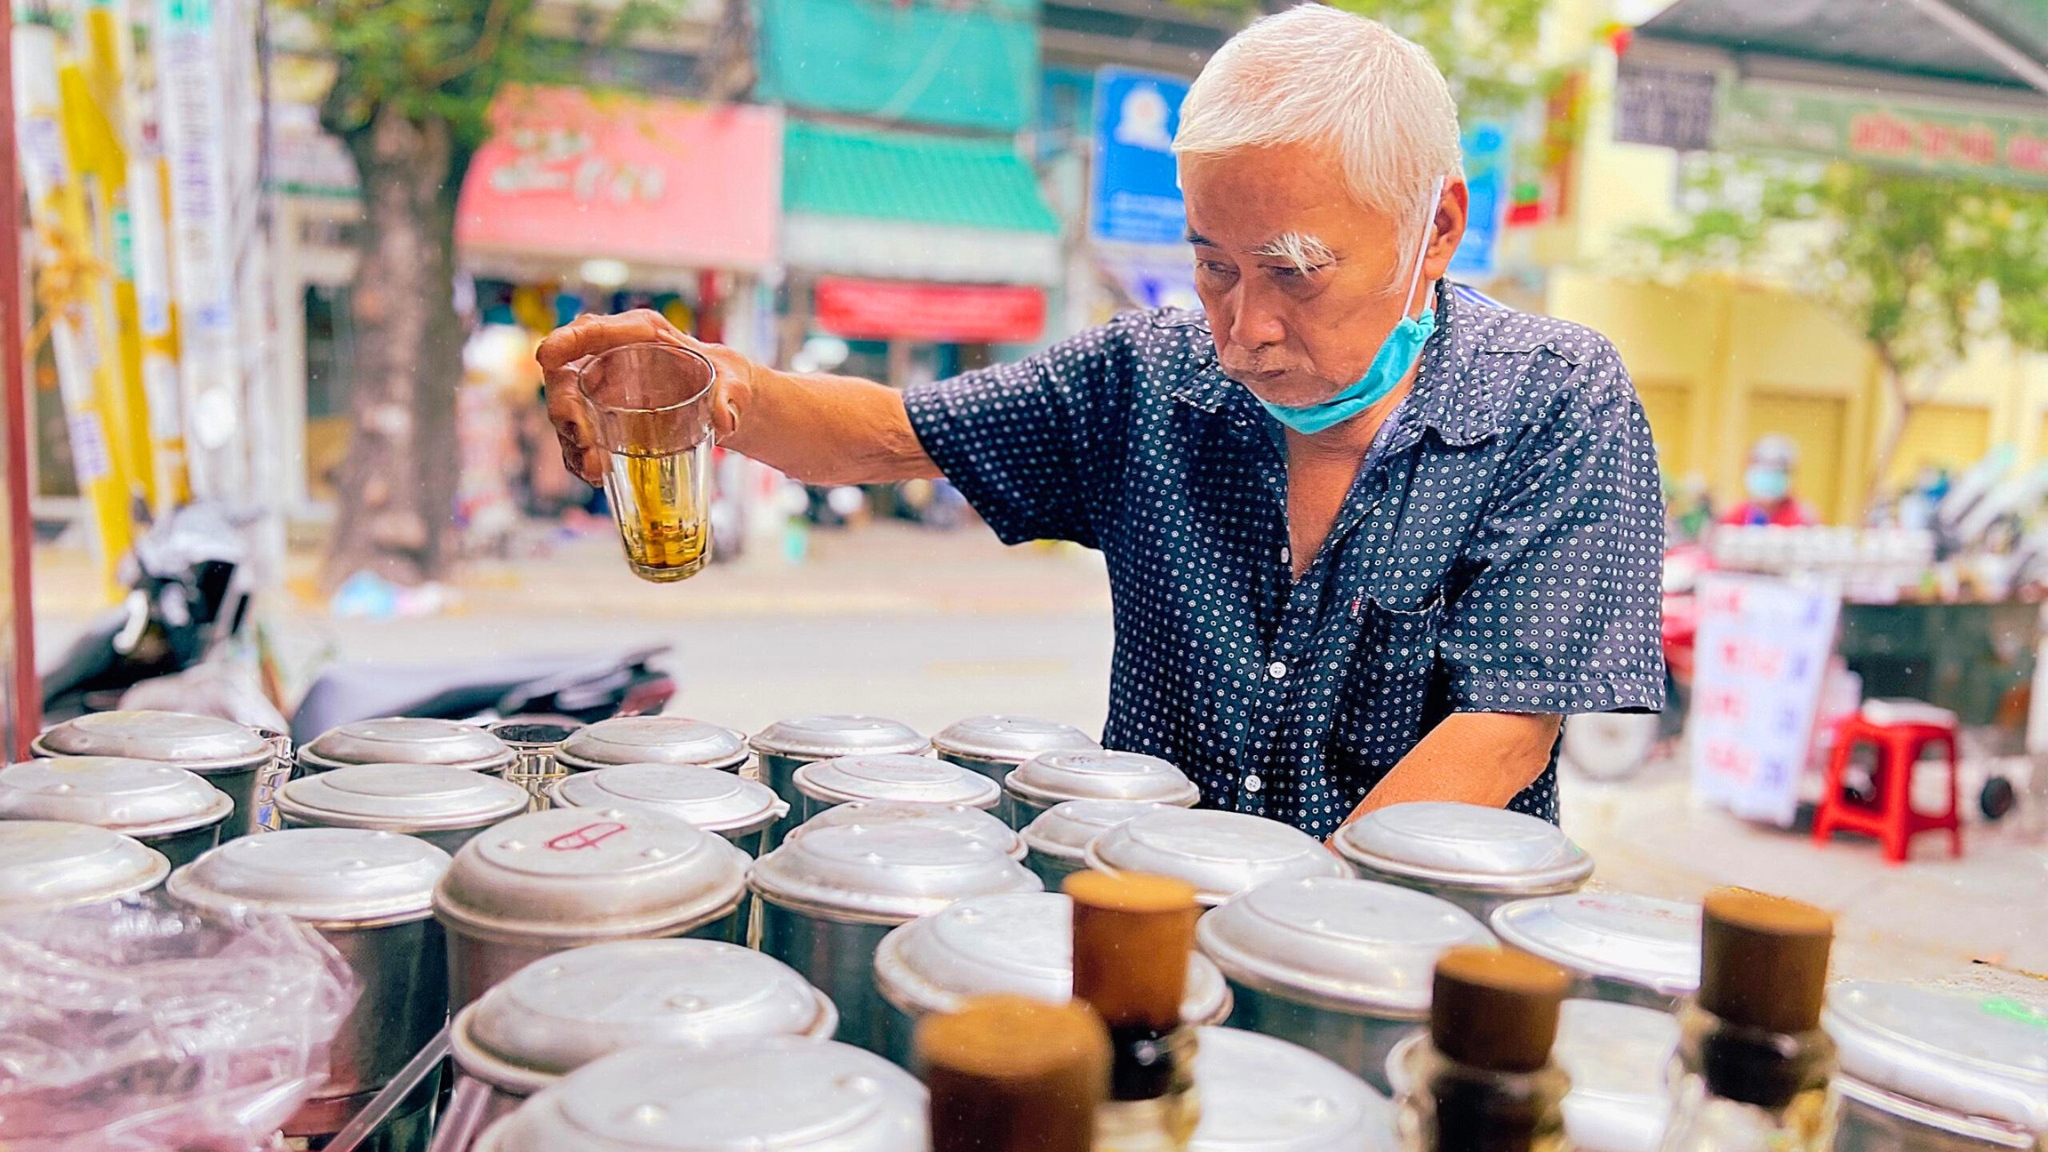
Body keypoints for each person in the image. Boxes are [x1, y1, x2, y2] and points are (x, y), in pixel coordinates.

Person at [539, 6, 1665, 838]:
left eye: (1293, 274)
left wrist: (1280, 923)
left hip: (1409, 975)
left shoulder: (1554, 398)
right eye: (1213, 266)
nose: (1243, 331)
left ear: (1436, 230)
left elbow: (1508, 724)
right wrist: (725, 387)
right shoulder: (1147, 374)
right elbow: (891, 434)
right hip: (1142, 935)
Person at [1722, 435, 1819, 527]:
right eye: (1763, 469)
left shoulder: (1804, 518)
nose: (1769, 476)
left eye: (1776, 470)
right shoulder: (1734, 515)